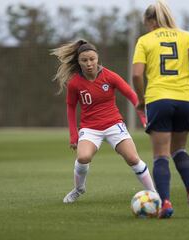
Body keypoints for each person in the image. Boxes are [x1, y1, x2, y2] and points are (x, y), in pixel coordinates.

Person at [132, 0, 189, 218]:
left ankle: (166, 203)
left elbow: (137, 74)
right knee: (180, 150)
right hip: (185, 99)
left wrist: (141, 99)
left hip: (159, 99)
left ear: (150, 21)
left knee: (160, 156)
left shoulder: (145, 40)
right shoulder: (187, 36)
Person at [51, 39, 157, 203]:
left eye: (92, 59)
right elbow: (71, 108)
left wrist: (143, 117)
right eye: (84, 60)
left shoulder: (110, 76)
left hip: (114, 124)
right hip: (90, 128)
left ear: (97, 58)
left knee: (133, 159)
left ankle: (153, 193)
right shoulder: (74, 83)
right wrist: (74, 136)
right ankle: (79, 189)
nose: (89, 63)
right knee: (83, 157)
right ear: (78, 62)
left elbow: (132, 95)